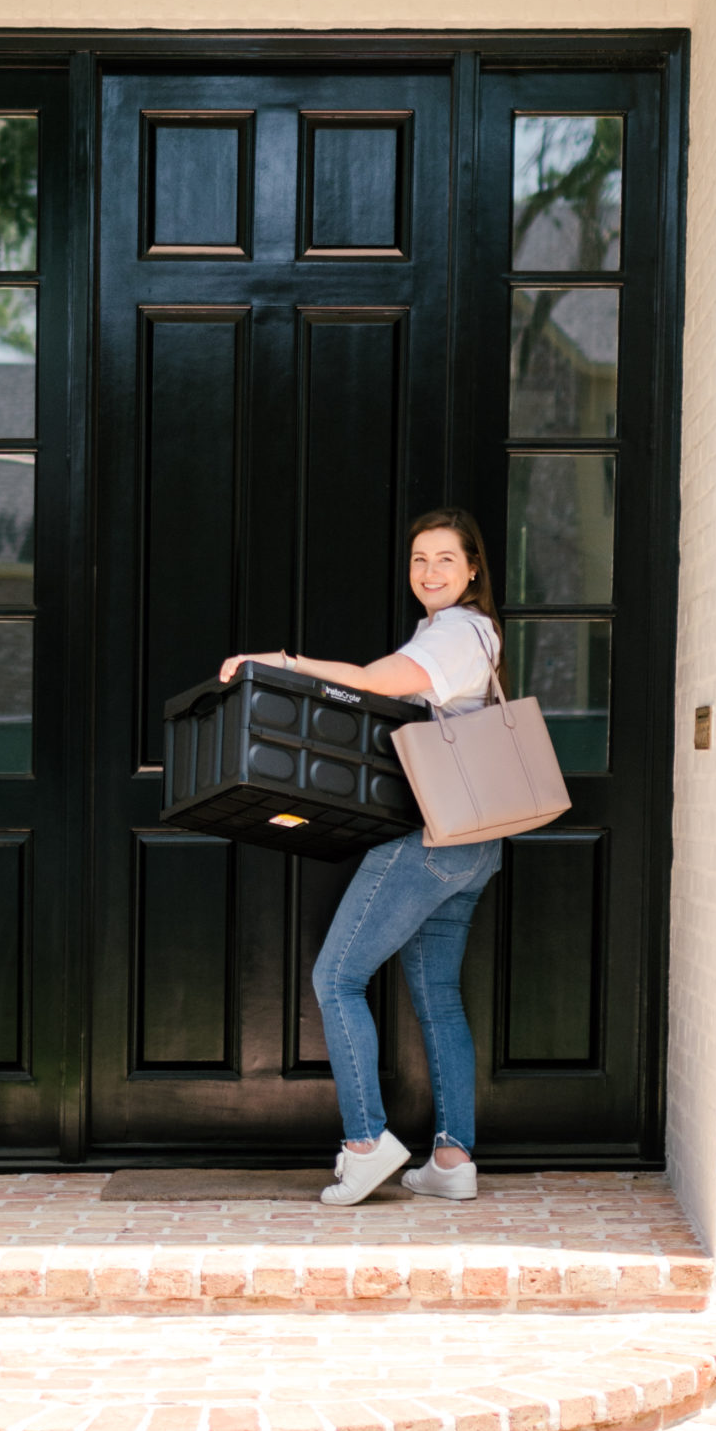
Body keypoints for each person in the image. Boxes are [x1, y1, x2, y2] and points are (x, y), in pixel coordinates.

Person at [219, 508, 502, 1208]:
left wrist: (281, 663)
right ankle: (451, 1160)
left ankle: (365, 1145)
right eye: (418, 560)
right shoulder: (455, 634)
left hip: (432, 839)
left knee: (337, 977)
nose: (430, 572)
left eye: (445, 559)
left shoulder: (459, 631)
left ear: (472, 571)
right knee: (436, 997)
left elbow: (374, 683)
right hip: (474, 841)